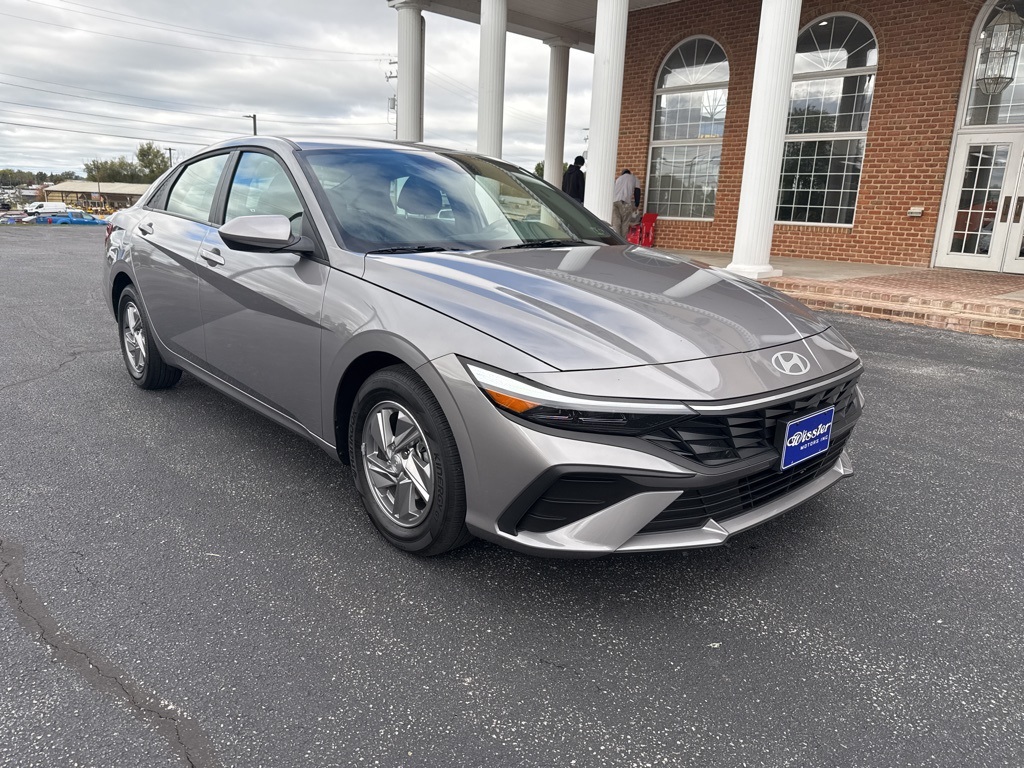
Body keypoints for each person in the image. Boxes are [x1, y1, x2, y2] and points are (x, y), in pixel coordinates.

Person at [611, 168, 639, 237]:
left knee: (616, 224)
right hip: (625, 203)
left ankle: (616, 241)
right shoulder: (634, 178)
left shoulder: (618, 179)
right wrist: (636, 204)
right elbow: (637, 191)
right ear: (629, 173)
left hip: (615, 203)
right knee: (625, 224)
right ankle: (622, 242)